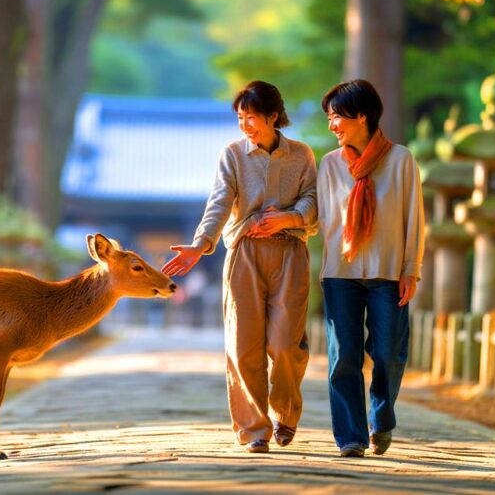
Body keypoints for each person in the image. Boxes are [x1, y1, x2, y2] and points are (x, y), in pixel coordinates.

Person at [161, 80, 317, 454]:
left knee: (284, 345)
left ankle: (287, 412)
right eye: (240, 118)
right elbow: (219, 202)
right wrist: (200, 245)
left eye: (251, 117)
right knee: (243, 345)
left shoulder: (302, 155)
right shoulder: (233, 154)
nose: (245, 124)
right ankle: (254, 430)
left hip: (290, 254)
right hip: (244, 253)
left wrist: (289, 218)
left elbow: (314, 199)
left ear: (274, 116)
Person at [316, 79, 425, 458]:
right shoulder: (330, 165)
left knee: (388, 353)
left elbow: (414, 219)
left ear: (361, 115)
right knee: (343, 356)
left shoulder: (401, 160)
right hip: (340, 274)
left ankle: (382, 418)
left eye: (336, 117)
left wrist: (411, 269)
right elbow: (322, 219)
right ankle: (350, 436)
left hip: (388, 272)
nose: (332, 125)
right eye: (329, 118)